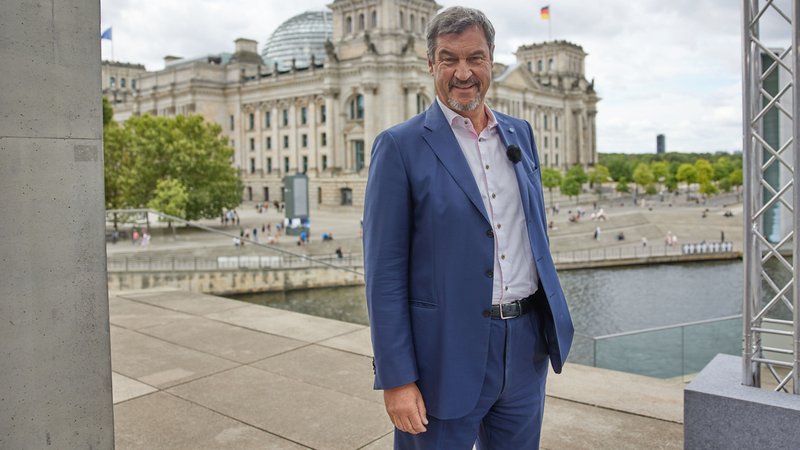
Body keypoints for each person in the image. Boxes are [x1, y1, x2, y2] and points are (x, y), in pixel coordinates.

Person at [363, 7, 573, 449]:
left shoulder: (520, 133)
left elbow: (531, 231)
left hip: (524, 346)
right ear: (430, 64)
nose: (463, 73)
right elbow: (384, 275)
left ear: (491, 61)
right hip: (443, 354)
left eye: (474, 58)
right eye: (449, 59)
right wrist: (397, 378)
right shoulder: (399, 146)